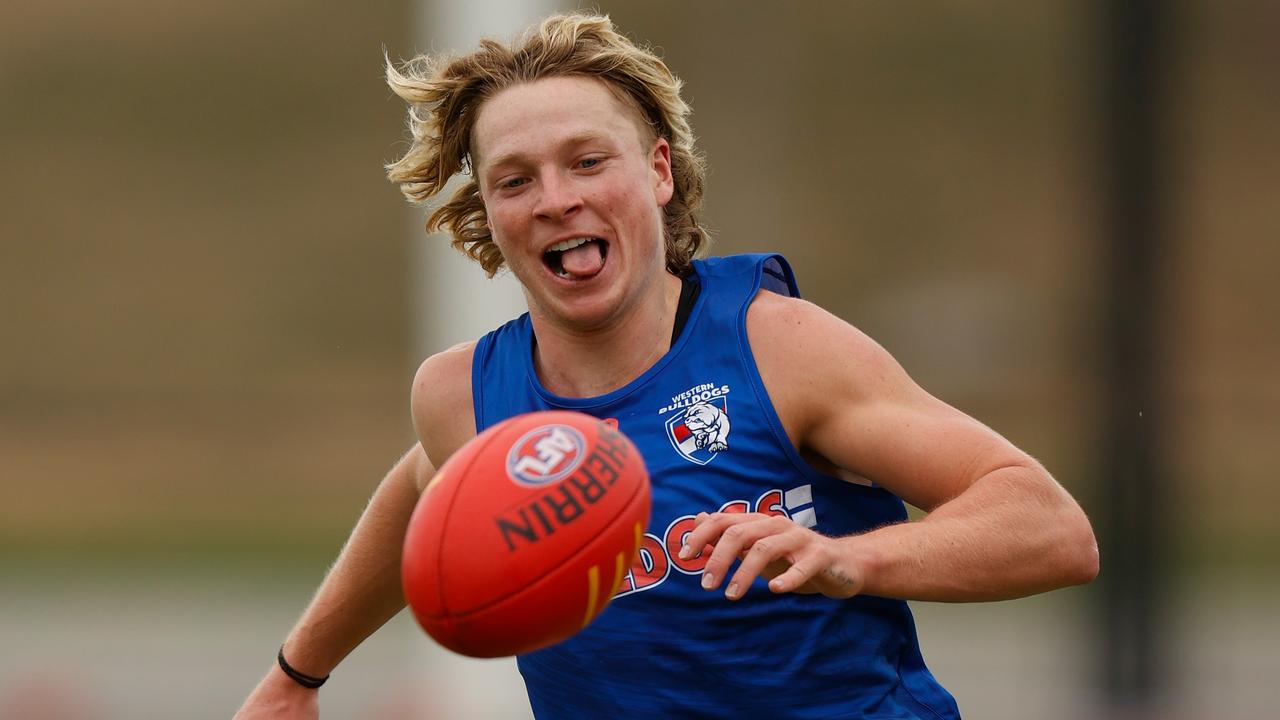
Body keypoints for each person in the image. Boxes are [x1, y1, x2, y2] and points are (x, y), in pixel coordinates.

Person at [235, 12, 1098, 719]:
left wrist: (852, 559)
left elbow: (1051, 528)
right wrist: (295, 677)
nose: (556, 198)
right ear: (489, 214)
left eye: (587, 161)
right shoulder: (464, 396)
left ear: (656, 173)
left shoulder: (777, 348)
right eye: (514, 179)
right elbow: (429, 490)